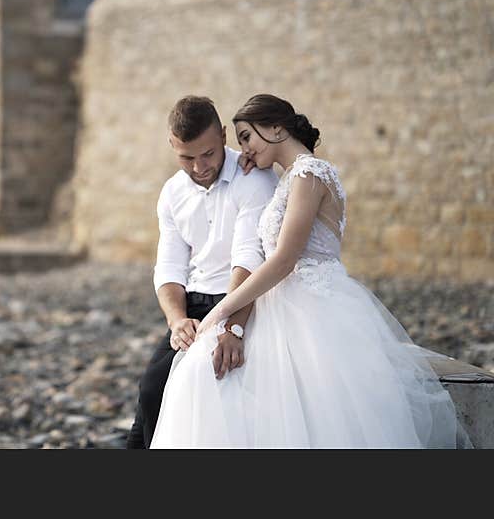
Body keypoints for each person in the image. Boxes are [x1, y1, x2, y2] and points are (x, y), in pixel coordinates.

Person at [150, 94, 471, 448]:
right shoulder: (287, 179)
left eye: (246, 138)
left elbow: (284, 259)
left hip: (311, 306)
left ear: (275, 129)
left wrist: (224, 313)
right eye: (240, 141)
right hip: (279, 303)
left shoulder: (309, 174)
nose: (244, 151)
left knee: (315, 411)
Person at [125, 96, 278, 449]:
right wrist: (177, 320)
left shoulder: (253, 178)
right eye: (186, 157)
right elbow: (169, 266)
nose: (199, 167)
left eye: (208, 154)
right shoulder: (172, 193)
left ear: (223, 135)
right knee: (151, 391)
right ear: (171, 146)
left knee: (214, 392)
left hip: (245, 300)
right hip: (193, 306)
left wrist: (232, 326)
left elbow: (248, 256)